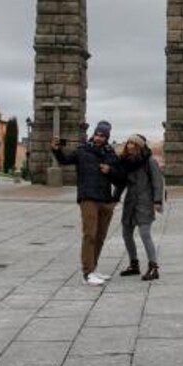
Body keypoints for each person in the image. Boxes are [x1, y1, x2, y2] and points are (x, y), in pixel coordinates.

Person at [51, 120, 121, 286]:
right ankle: (87, 272)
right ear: (93, 134)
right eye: (97, 134)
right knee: (90, 234)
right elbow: (65, 160)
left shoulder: (111, 154)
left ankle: (93, 268)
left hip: (105, 199)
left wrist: (110, 170)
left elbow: (120, 177)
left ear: (107, 137)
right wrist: (56, 149)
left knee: (100, 237)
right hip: (88, 197)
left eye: (103, 135)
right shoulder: (82, 150)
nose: (99, 138)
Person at [115, 134, 165, 281]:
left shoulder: (149, 161)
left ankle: (153, 267)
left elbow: (158, 182)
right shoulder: (125, 162)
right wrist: (114, 197)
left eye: (133, 144)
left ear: (140, 146)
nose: (130, 146)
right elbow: (121, 182)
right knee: (126, 234)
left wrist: (157, 201)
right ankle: (134, 264)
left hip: (144, 201)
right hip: (130, 202)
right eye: (128, 143)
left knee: (145, 234)